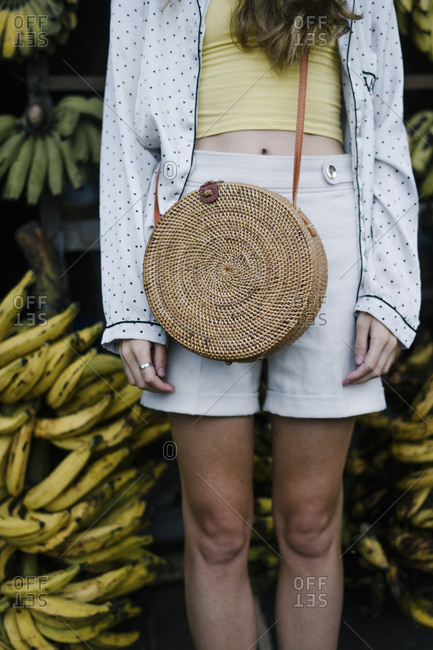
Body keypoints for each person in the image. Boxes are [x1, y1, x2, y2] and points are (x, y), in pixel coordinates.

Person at [99, 0, 421, 648]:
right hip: (198, 225)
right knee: (217, 527)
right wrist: (130, 303)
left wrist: (388, 290)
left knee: (310, 522)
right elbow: (125, 140)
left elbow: (384, 130)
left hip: (329, 217)